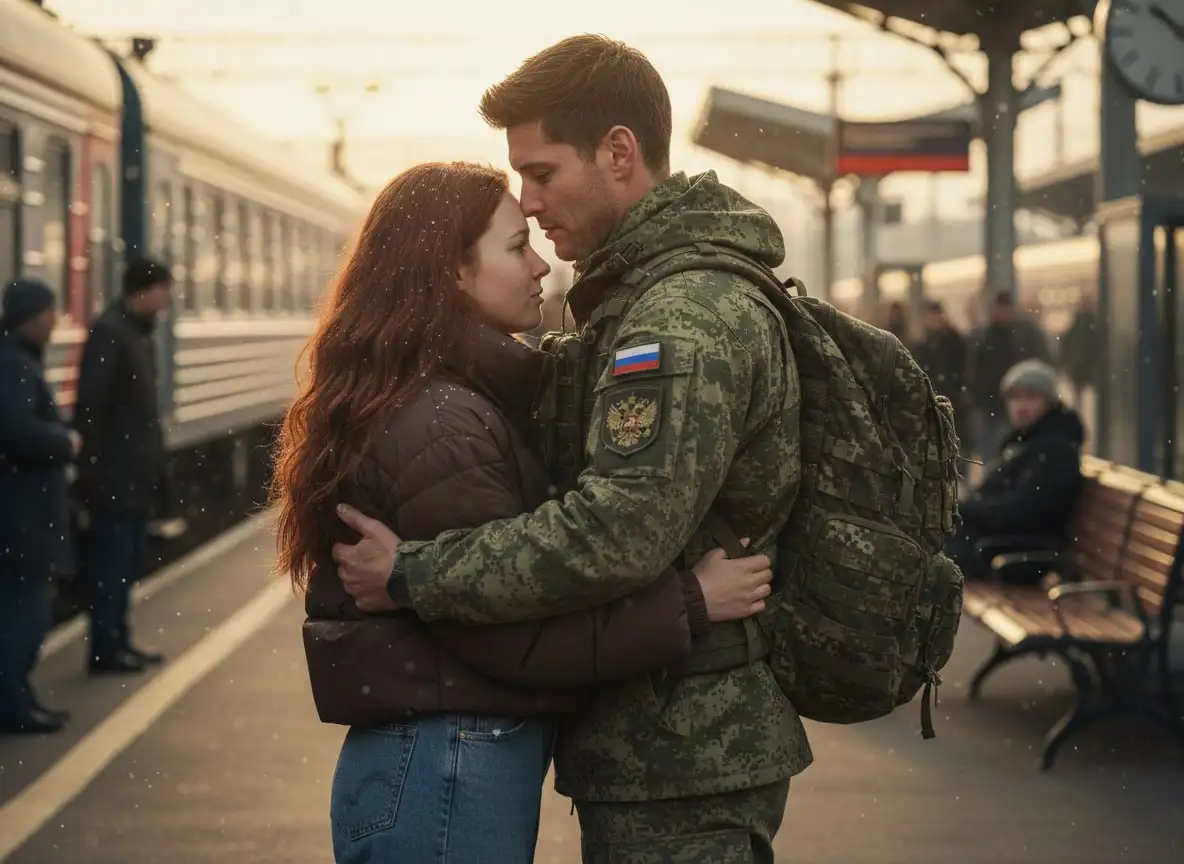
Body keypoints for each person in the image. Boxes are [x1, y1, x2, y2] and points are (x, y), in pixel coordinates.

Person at [334, 35, 808, 863]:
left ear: (618, 153)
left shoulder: (679, 317)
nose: (531, 202)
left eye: (543, 172)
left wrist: (413, 573)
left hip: (685, 749)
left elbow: (616, 534)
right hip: (665, 737)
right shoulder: (639, 300)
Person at [73, 257, 171, 674]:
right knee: (111, 568)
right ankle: (105, 648)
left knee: (126, 565)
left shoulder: (135, 333)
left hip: (132, 476)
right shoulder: (111, 334)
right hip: (115, 478)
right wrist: (93, 475)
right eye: (164, 290)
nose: (167, 300)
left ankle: (119, 640)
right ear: (144, 290)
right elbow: (91, 408)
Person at [0, 278, 77, 734]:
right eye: (49, 312)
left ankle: (18, 696)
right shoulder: (13, 365)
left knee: (23, 609)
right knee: (25, 612)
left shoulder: (16, 360)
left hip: (22, 513)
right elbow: (16, 431)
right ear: (31, 317)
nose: (54, 321)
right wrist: (64, 441)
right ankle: (13, 703)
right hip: (22, 516)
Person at [944, 359, 1085, 582]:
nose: (1021, 406)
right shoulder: (1024, 442)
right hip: (1004, 546)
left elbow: (1024, 511)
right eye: (1015, 397)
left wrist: (966, 510)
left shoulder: (1054, 450)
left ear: (1049, 402)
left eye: (1031, 397)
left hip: (1023, 554)